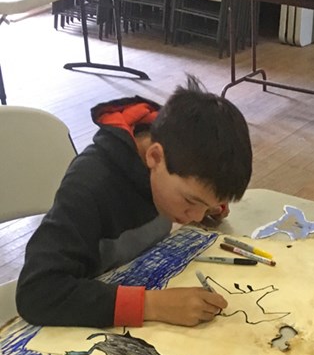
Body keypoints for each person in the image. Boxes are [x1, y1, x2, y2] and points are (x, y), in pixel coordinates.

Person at [16, 76, 253, 328]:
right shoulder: (90, 185)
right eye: (190, 200)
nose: (195, 217)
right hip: (82, 318)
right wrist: (151, 305)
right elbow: (37, 292)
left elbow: (194, 193)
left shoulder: (176, 148)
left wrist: (208, 205)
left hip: (136, 278)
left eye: (205, 206)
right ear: (154, 156)